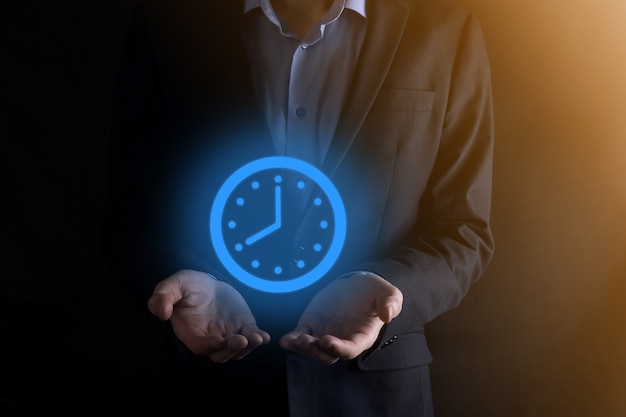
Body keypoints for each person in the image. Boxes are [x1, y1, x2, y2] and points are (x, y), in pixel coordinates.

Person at [101, 0, 495, 416]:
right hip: (215, 387)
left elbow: (463, 229)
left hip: (376, 393)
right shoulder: (171, 23)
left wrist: (394, 291)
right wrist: (178, 274)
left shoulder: (445, 28)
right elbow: (132, 215)